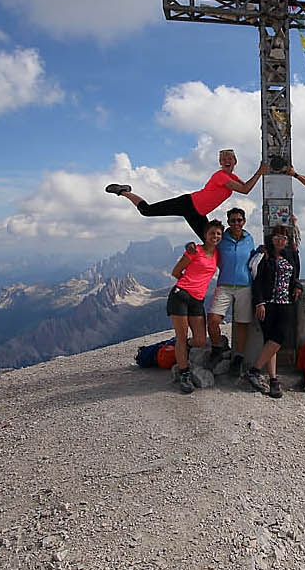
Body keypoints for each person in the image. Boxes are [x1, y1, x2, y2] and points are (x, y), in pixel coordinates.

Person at [106, 149, 266, 241]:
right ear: (220, 163)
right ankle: (124, 191)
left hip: (198, 214)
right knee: (146, 210)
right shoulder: (221, 176)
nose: (226, 160)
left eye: (229, 158)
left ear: (235, 161)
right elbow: (245, 190)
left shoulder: (232, 177)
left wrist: (259, 172)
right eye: (223, 158)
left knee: (211, 241)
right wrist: (259, 172)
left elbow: (246, 187)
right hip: (187, 203)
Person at [244, 224, 302, 399]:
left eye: (282, 238)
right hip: (268, 304)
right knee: (271, 341)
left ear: (286, 240)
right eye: (276, 237)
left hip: (286, 303)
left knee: (277, 340)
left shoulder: (291, 255)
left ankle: (254, 371)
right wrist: (259, 303)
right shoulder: (264, 255)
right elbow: (258, 281)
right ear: (271, 239)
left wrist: (298, 285)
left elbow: (296, 275)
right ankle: (273, 381)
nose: (279, 240)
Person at [166, 219, 223, 394]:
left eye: (218, 233)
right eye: (212, 233)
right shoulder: (194, 250)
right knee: (181, 337)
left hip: (197, 301)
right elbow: (176, 272)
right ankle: (184, 374)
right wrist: (188, 284)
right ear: (205, 235)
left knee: (199, 340)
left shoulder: (217, 254)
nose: (215, 236)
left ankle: (181, 350)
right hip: (180, 296)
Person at [206, 206, 254, 372]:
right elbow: (207, 245)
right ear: (228, 222)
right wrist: (189, 245)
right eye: (232, 220)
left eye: (239, 220)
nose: (236, 223)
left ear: (244, 221)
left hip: (245, 285)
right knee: (213, 319)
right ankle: (217, 347)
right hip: (224, 285)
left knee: (242, 323)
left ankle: (238, 358)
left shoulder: (249, 238)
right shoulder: (222, 238)